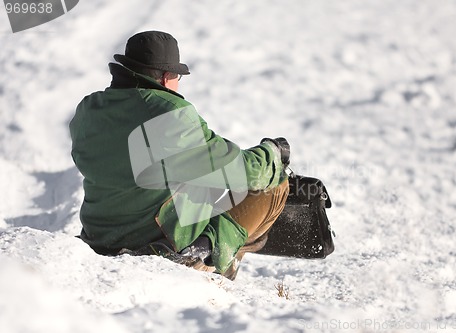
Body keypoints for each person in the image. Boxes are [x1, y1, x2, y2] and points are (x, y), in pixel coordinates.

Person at [69, 31, 290, 279]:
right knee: (273, 182)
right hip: (156, 250)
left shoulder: (88, 109)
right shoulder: (170, 111)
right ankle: (213, 259)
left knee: (199, 186)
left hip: (98, 241)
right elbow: (243, 171)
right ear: (166, 78)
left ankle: (210, 247)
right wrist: (272, 151)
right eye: (177, 77)